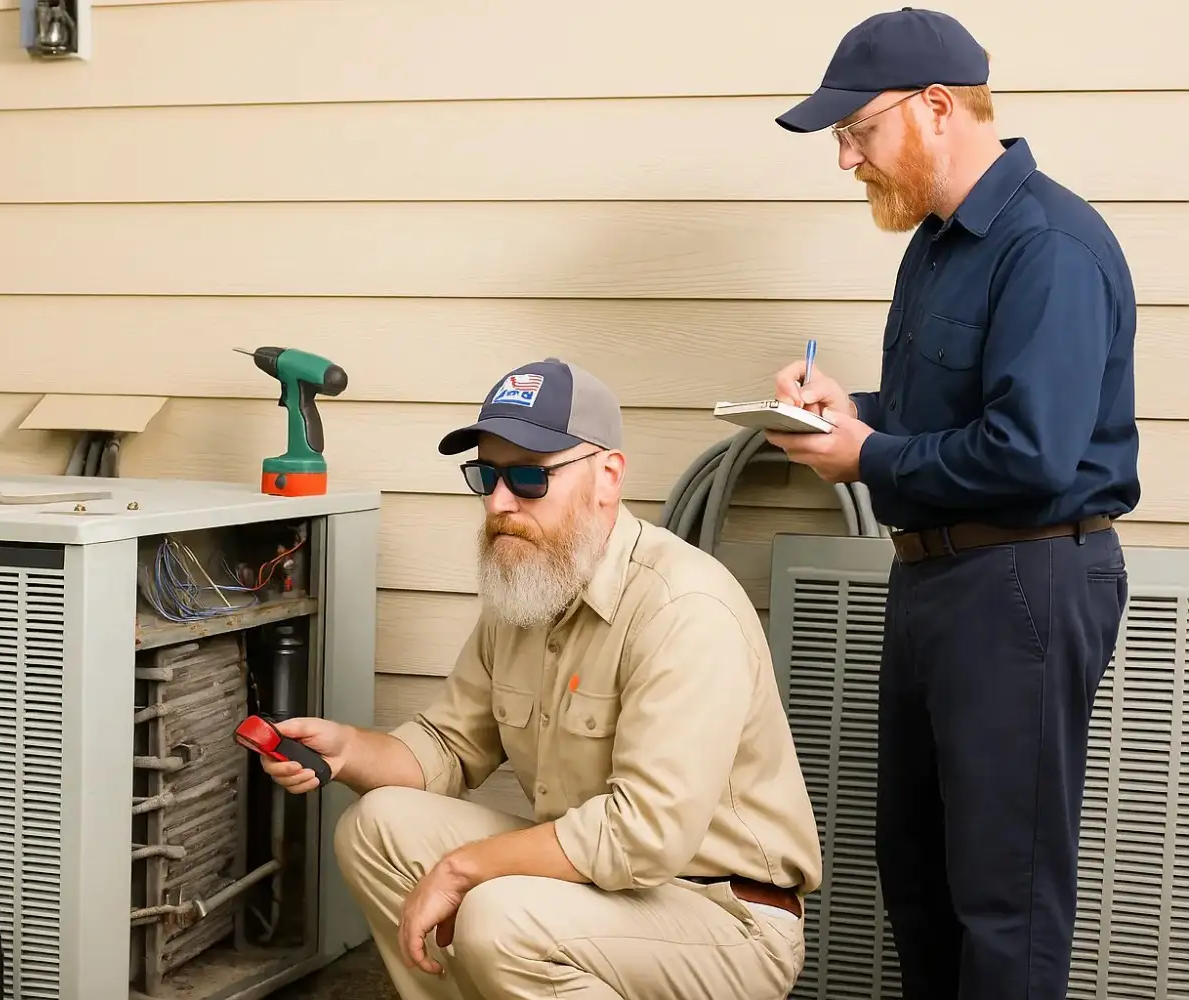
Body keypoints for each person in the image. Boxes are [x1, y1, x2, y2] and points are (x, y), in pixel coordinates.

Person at [765, 9, 1138, 1000]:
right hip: (938, 580)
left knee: (1002, 900)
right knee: (920, 878)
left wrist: (870, 454)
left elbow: (1032, 452)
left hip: (1021, 580)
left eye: (857, 133)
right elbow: (957, 414)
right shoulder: (936, 243)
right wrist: (855, 417)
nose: (847, 161)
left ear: (936, 108)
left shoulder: (1047, 245)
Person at [260, 357, 822, 999]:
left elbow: (643, 834)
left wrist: (464, 869)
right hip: (591, 888)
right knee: (376, 826)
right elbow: (449, 748)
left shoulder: (683, 607)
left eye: (529, 477)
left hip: (720, 917)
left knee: (500, 920)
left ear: (607, 477)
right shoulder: (529, 587)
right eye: (487, 475)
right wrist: (351, 749)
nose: (500, 503)